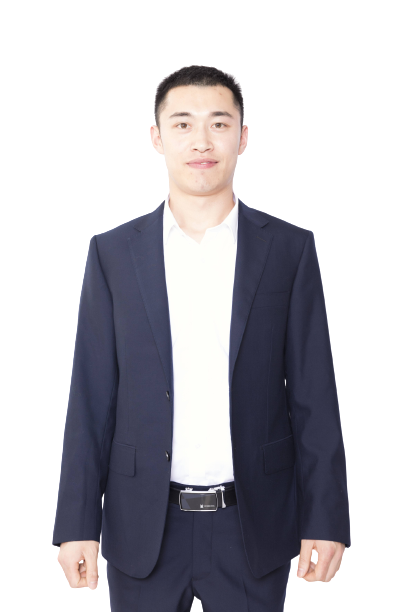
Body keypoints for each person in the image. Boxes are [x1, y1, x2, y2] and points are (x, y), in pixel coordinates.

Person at [54, 65, 350, 611]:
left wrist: (327, 518)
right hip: (141, 525)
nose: (201, 141)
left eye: (218, 123)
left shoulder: (289, 249)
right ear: (157, 137)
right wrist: (76, 524)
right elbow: (90, 398)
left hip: (254, 526)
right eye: (183, 124)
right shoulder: (113, 253)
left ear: (242, 137)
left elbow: (314, 395)